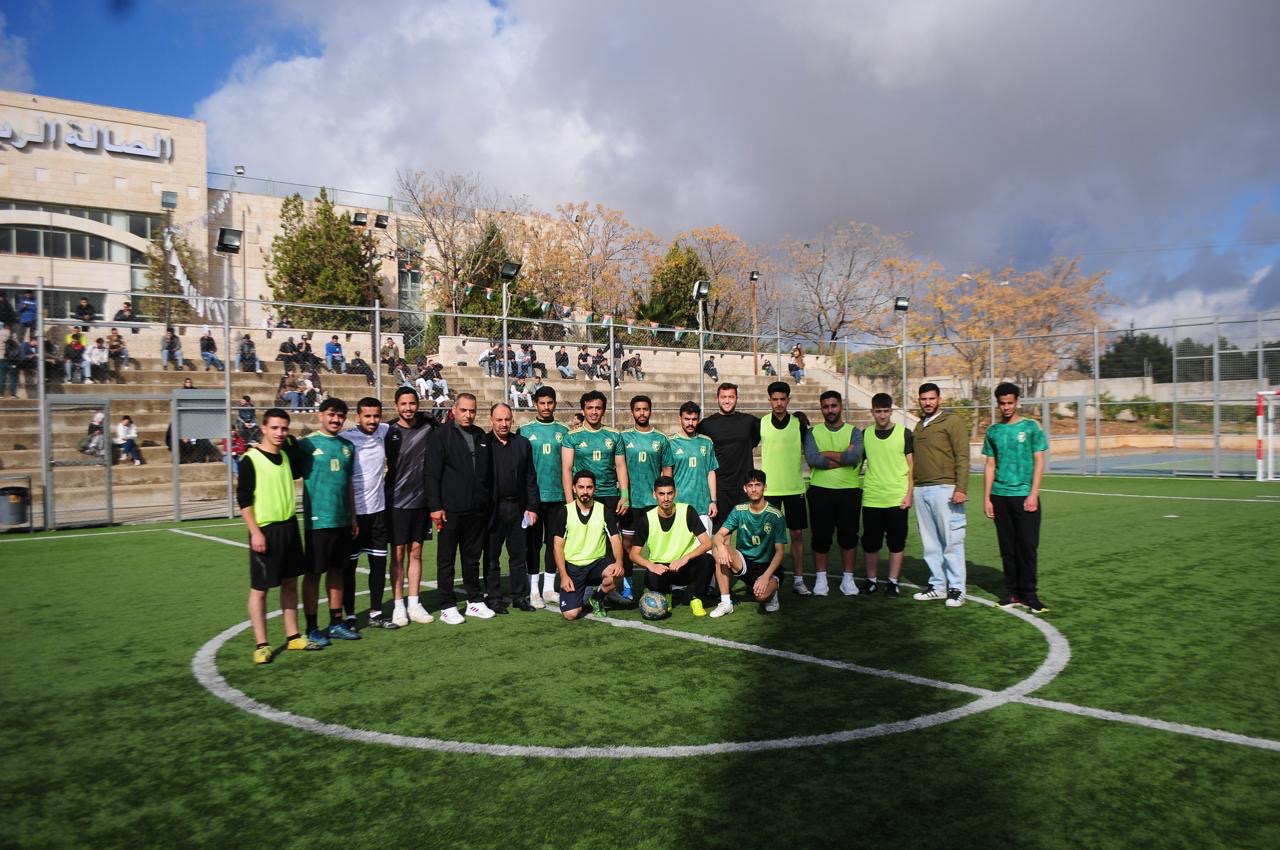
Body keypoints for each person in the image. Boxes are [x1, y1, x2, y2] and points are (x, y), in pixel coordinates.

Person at [238, 408, 321, 663]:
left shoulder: (285, 455)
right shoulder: (250, 459)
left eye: (284, 428)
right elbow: (244, 501)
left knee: (290, 583)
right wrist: (255, 532)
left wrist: (293, 444)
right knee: (260, 589)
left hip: (289, 527)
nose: (279, 433)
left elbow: (299, 460)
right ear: (263, 428)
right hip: (265, 530)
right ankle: (261, 644)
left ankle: (293, 636)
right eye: (274, 428)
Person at [297, 398, 361, 646]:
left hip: (342, 520)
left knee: (337, 572)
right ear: (320, 415)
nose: (336, 420)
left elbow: (348, 483)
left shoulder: (347, 446)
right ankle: (312, 627)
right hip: (318, 521)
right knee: (313, 574)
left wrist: (352, 516)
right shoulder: (307, 444)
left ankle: (336, 623)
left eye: (340, 416)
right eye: (331, 414)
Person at [426, 393, 495, 624]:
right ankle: (447, 605)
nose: (468, 415)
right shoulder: (440, 435)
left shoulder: (481, 435)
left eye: (472, 411)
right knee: (446, 559)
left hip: (476, 510)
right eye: (464, 410)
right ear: (453, 410)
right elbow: (432, 473)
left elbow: (487, 474)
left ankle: (474, 601)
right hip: (450, 510)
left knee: (472, 558)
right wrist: (435, 506)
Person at [982, 382, 1049, 613]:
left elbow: (1039, 461)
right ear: (997, 403)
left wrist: (1033, 494)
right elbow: (990, 465)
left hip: (1025, 497)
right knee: (1008, 548)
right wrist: (987, 498)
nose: (1006, 407)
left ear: (1017, 401)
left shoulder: (1031, 427)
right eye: (1002, 403)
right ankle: (1012, 593)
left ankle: (1030, 594)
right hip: (1000, 496)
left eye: (1010, 403)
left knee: (1027, 547)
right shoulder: (993, 431)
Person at [561, 390, 631, 597]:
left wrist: (624, 495)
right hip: (583, 497)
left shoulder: (614, 435)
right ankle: (582, 585)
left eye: (598, 408)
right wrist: (570, 501)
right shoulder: (572, 436)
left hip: (609, 494)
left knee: (612, 542)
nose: (594, 412)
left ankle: (611, 587)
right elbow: (567, 469)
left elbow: (620, 465)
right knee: (581, 540)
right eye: (589, 408)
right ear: (583, 410)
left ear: (604, 410)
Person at [911, 382, 970, 608]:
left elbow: (962, 456)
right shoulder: (919, 426)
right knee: (930, 543)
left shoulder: (952, 422)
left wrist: (961, 488)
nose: (927, 403)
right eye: (924, 399)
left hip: (945, 489)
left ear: (939, 399)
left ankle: (957, 588)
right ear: (919, 400)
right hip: (921, 489)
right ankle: (938, 585)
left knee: (951, 541)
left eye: (931, 398)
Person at [802, 390, 864, 596]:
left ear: (841, 407)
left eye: (833, 406)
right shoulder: (813, 433)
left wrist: (827, 453)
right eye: (826, 406)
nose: (830, 410)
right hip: (821, 491)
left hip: (849, 491)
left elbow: (854, 457)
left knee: (849, 537)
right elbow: (813, 459)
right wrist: (843, 456)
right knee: (820, 537)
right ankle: (821, 580)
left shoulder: (854, 432)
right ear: (821, 409)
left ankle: (848, 580)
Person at [341, 397, 396, 629]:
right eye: (367, 416)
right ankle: (350, 616)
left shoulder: (383, 431)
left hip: (378, 512)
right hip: (354, 515)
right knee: (349, 568)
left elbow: (403, 422)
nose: (372, 420)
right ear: (358, 417)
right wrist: (350, 516)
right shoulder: (345, 438)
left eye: (376, 416)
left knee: (378, 565)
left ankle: (376, 613)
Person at [384, 386, 437, 626]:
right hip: (396, 501)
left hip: (421, 501)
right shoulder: (388, 431)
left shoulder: (428, 427)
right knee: (397, 553)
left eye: (412, 403)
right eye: (403, 404)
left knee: (416, 552)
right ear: (397, 405)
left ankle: (414, 603)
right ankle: (398, 605)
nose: (408, 408)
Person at [629, 475, 714, 615]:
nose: (666, 498)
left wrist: (685, 558)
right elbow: (633, 554)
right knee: (650, 576)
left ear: (675, 493)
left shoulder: (687, 511)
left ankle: (697, 599)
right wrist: (651, 565)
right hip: (662, 569)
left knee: (707, 560)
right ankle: (665, 596)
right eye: (661, 494)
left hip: (684, 566)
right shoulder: (647, 519)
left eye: (669, 493)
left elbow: (707, 543)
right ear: (654, 495)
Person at [619, 394, 675, 603]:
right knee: (627, 544)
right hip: (632, 502)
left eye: (645, 409)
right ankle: (627, 585)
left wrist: (666, 496)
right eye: (638, 409)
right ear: (632, 412)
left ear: (650, 411)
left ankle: (662, 584)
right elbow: (618, 467)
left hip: (653, 503)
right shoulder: (624, 438)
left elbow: (667, 470)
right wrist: (624, 495)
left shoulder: (661, 439)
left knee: (660, 546)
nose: (642, 413)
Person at [484, 403, 540, 612]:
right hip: (493, 509)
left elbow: (530, 477)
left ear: (512, 420)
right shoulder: (483, 443)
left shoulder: (522, 444)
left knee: (518, 555)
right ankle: (494, 598)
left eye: (507, 419)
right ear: (491, 420)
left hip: (518, 508)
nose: (503, 424)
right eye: (499, 420)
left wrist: (532, 507)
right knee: (492, 556)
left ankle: (519, 596)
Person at [710, 469, 787, 617]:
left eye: (758, 485)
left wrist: (765, 577)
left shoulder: (775, 515)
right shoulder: (739, 510)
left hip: (767, 567)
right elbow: (719, 535)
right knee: (719, 549)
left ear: (764, 487)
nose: (754, 489)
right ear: (745, 488)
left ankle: (772, 592)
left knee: (761, 597)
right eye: (750, 485)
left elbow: (780, 551)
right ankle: (726, 603)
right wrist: (721, 547)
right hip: (744, 563)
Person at [760, 381, 813, 595]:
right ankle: (771, 577)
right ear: (769, 400)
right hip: (770, 490)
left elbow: (813, 449)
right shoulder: (761, 423)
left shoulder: (799, 424)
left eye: (783, 399)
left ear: (788, 400)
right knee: (770, 537)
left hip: (794, 488)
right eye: (775, 399)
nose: (779, 403)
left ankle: (799, 580)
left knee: (797, 534)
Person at [519, 386, 570, 609]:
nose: (546, 407)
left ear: (555, 404)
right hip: (533, 500)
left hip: (558, 497)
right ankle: (533, 590)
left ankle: (549, 588)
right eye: (542, 403)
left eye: (550, 403)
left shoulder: (564, 431)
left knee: (554, 543)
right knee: (532, 545)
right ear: (535, 404)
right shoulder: (525, 430)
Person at [860, 393, 913, 598]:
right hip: (872, 498)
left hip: (897, 498)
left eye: (886, 411)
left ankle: (892, 582)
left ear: (891, 411)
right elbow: (856, 464)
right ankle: (871, 581)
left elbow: (912, 468)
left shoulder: (904, 434)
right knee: (871, 543)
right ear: (872, 412)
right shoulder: (865, 434)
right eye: (878, 411)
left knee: (896, 542)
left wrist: (909, 494)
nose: (882, 415)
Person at [553, 470, 625, 620]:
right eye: (581, 487)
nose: (585, 491)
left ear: (594, 489)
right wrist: (564, 576)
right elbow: (557, 547)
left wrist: (619, 562)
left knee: (618, 573)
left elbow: (615, 539)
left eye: (589, 487)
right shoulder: (565, 512)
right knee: (571, 614)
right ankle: (578, 594)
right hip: (573, 568)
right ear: (574, 488)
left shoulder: (603, 511)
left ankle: (597, 597)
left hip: (597, 564)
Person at [698, 383, 761, 531]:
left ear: (737, 398)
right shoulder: (706, 424)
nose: (727, 401)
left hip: (744, 487)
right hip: (720, 488)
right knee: (721, 534)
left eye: (731, 397)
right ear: (717, 398)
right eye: (724, 397)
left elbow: (756, 439)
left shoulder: (749, 421)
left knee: (748, 533)